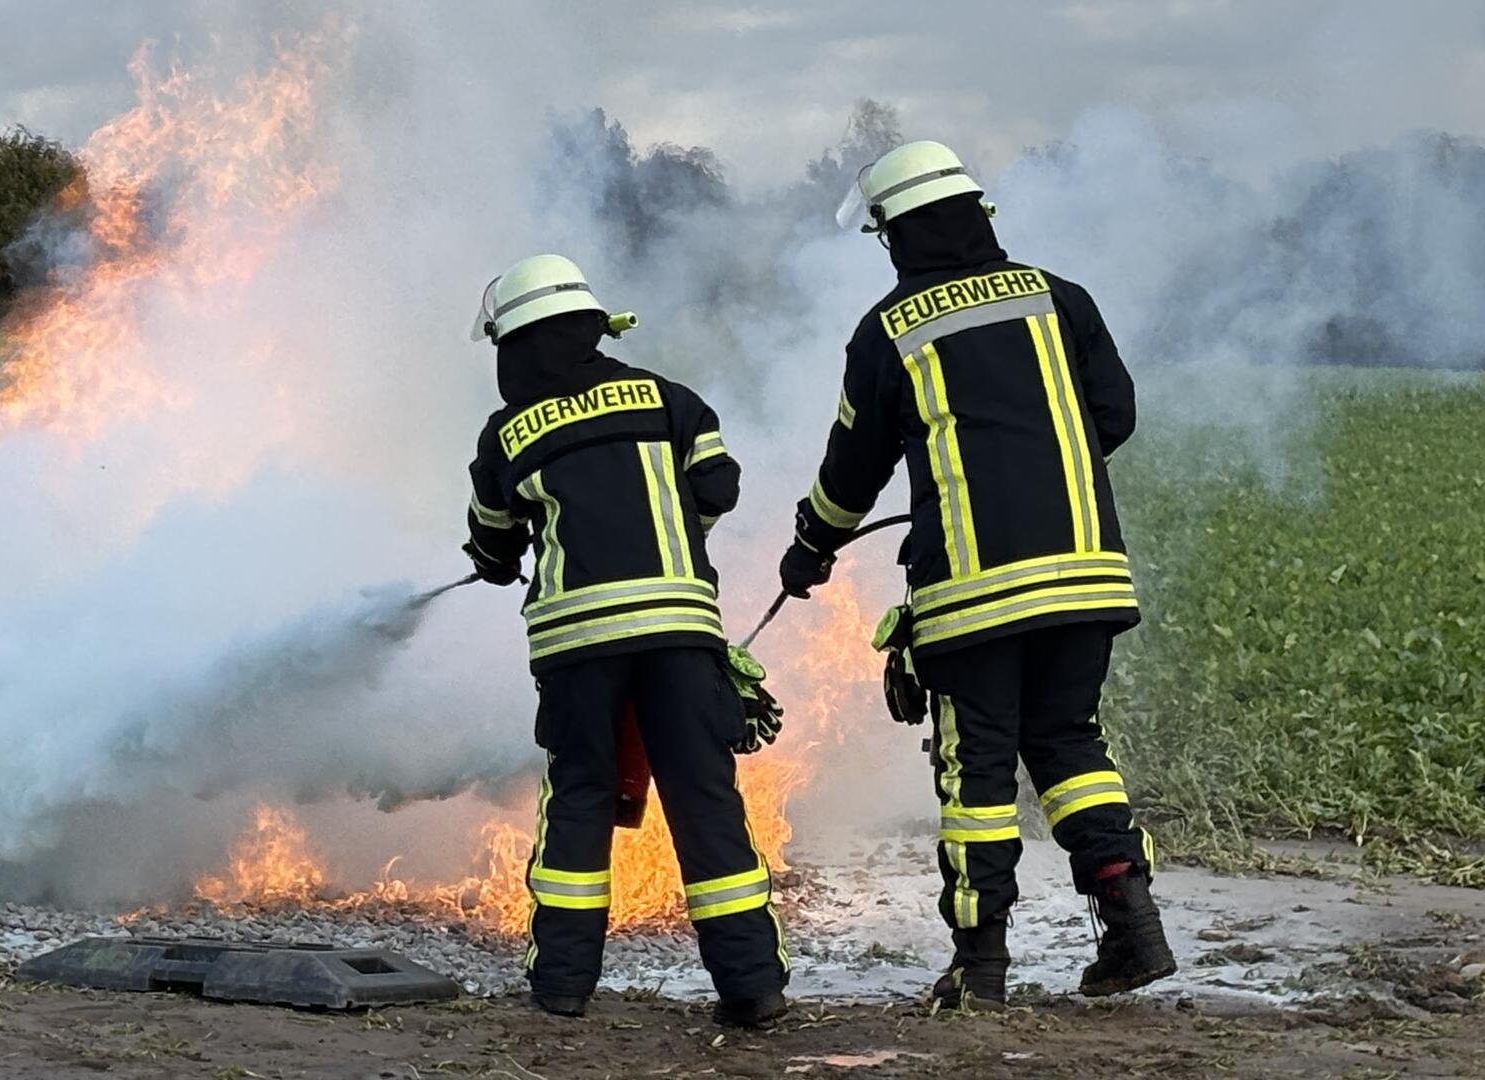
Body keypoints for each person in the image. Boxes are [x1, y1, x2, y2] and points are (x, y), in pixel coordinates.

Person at [779, 141, 1176, 1010]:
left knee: (978, 777)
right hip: (1086, 577)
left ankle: (981, 968)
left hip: (972, 595)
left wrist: (811, 544)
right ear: (976, 212)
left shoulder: (891, 329)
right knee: (1071, 745)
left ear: (895, 235)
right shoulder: (1058, 298)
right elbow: (1115, 413)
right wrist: (1042, 478)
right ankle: (1135, 929)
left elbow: (854, 468)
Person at [464, 254, 789, 1027]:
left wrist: (493, 559)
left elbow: (494, 539)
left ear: (514, 346)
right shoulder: (672, 401)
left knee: (581, 794)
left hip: (577, 645)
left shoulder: (508, 433)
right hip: (678, 630)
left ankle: (563, 987)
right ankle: (752, 987)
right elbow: (719, 486)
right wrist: (674, 535)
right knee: (702, 798)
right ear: (591, 329)